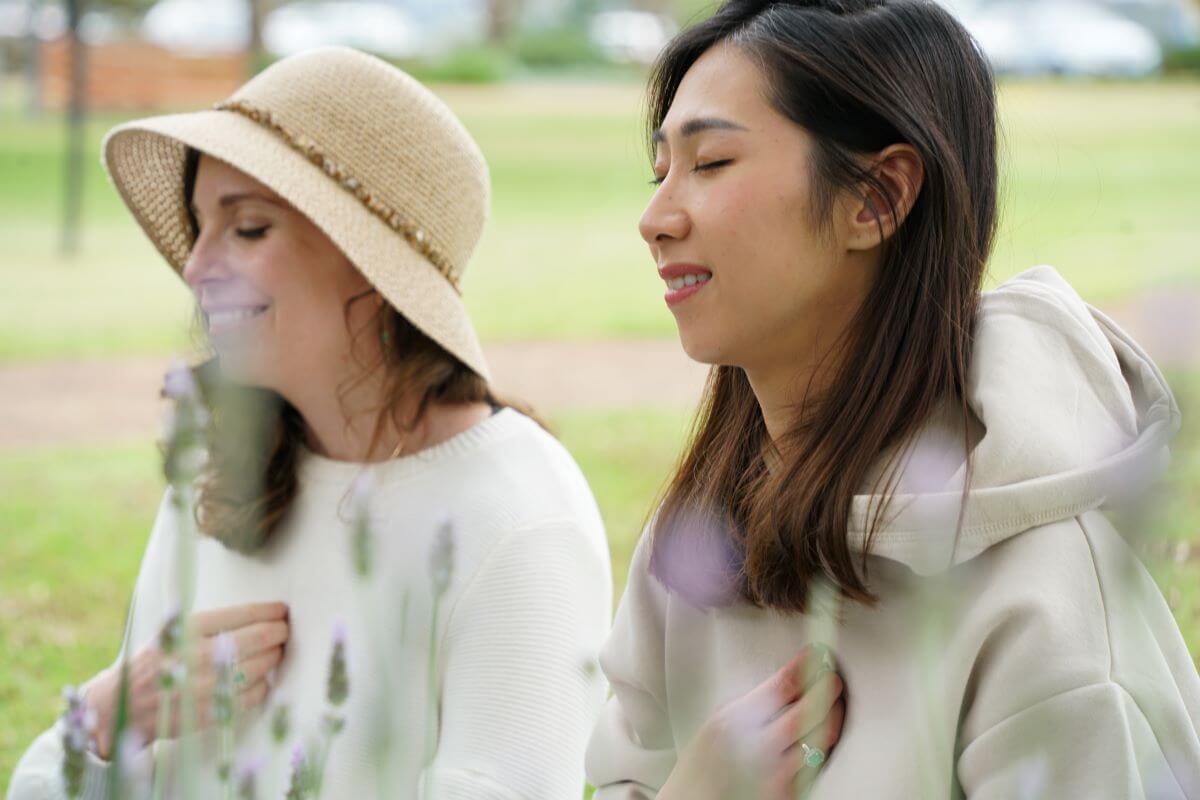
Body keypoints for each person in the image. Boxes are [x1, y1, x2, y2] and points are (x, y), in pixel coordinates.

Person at [585, 1, 1200, 798]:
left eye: (710, 164)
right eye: (660, 170)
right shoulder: (697, 542)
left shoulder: (1044, 605)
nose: (655, 219)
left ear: (877, 199)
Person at [9, 46, 612, 800]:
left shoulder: (519, 516)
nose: (195, 270)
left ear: (371, 260)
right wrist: (107, 717)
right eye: (199, 227)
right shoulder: (223, 468)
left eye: (249, 228)